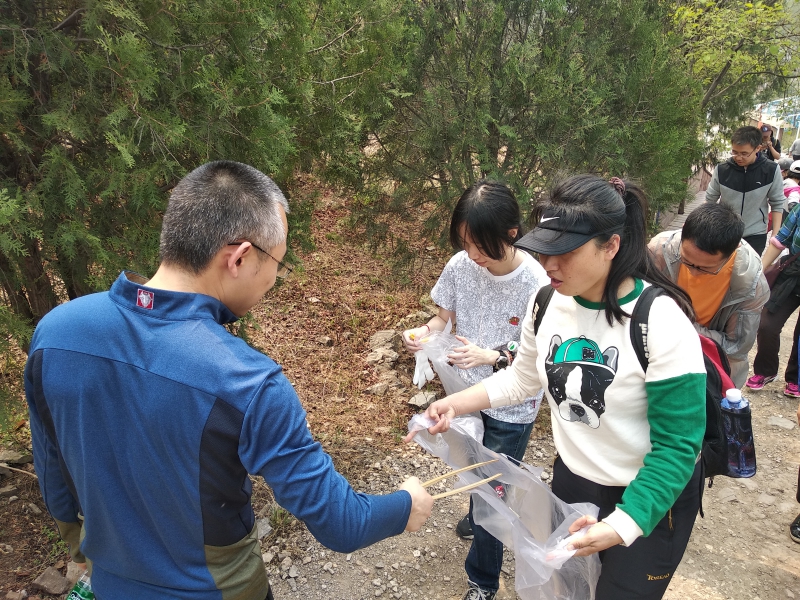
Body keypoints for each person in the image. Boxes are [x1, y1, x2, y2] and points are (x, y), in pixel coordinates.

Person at [25, 161, 433, 599]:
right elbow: (342, 523)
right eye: (277, 262)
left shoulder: (56, 333)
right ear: (239, 258)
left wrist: (83, 551)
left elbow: (54, 474)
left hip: (113, 586)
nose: (275, 278)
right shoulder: (248, 382)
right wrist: (405, 505)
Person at [408, 175, 706, 600]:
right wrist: (455, 403)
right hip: (574, 484)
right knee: (570, 589)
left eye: (565, 252)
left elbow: (678, 446)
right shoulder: (547, 302)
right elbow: (522, 379)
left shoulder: (660, 321)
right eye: (545, 249)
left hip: (649, 496)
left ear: (611, 246)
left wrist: (622, 524)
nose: (549, 265)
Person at [402, 180, 547, 600]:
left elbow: (537, 353)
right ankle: (477, 514)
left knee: (492, 493)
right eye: (465, 244)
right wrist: (424, 333)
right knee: (473, 469)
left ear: (511, 234)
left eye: (481, 245)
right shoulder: (460, 266)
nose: (472, 255)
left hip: (511, 406)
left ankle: (482, 582)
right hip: (463, 394)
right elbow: (442, 318)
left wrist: (493, 355)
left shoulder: (537, 283)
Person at [648, 203, 769, 387]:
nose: (694, 272)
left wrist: (674, 324)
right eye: (687, 261)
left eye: (706, 268)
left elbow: (735, 347)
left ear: (734, 249)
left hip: (707, 364)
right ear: (683, 231)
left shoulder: (751, 284)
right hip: (655, 349)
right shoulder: (660, 251)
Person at [746, 197, 800, 398]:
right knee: (767, 324)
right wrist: (758, 272)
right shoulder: (799, 210)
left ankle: (795, 379)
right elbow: (780, 241)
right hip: (792, 275)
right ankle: (766, 371)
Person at [705, 125, 785, 256]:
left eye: (744, 154)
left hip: (755, 234)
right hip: (723, 231)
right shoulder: (722, 169)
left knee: (748, 268)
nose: (738, 157)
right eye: (735, 152)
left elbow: (777, 203)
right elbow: (710, 200)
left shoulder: (771, 170)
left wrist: (775, 234)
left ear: (757, 148)